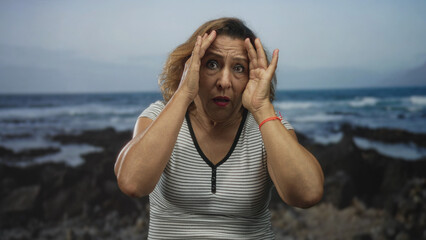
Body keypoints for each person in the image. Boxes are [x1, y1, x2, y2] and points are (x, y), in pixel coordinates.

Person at [114, 17, 324, 239]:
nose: (224, 81)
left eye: (239, 68)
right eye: (212, 64)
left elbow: (308, 194)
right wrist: (184, 92)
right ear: (192, 67)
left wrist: (262, 109)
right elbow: (132, 183)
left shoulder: (268, 127)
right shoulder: (158, 117)